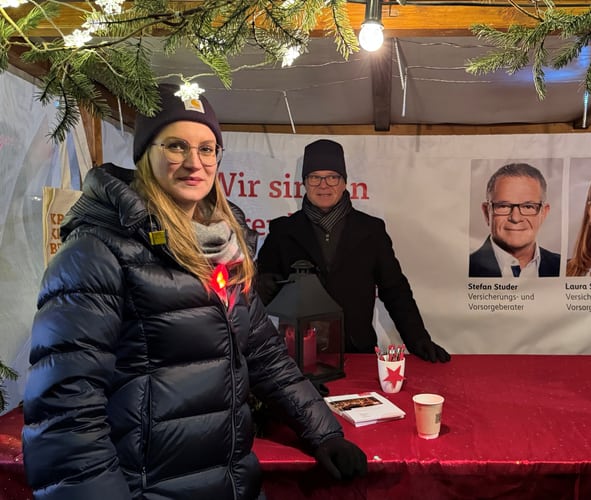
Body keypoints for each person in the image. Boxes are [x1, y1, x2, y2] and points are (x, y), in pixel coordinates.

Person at [22, 84, 366, 500]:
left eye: (206, 149)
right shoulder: (96, 250)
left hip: (231, 484)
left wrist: (324, 432)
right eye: (176, 146)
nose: (194, 162)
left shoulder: (227, 246)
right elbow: (66, 411)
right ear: (145, 153)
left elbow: (265, 355)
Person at [256, 139, 450, 363]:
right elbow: (262, 294)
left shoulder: (371, 230)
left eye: (332, 177)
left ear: (344, 182)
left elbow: (395, 290)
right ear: (304, 183)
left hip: (357, 352)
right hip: (300, 354)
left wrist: (418, 339)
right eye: (315, 177)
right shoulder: (282, 232)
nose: (323, 185)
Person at [469, 163, 560, 277]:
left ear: (543, 213)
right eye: (504, 206)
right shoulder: (465, 268)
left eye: (528, 207)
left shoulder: (563, 267)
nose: (515, 218)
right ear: (487, 213)